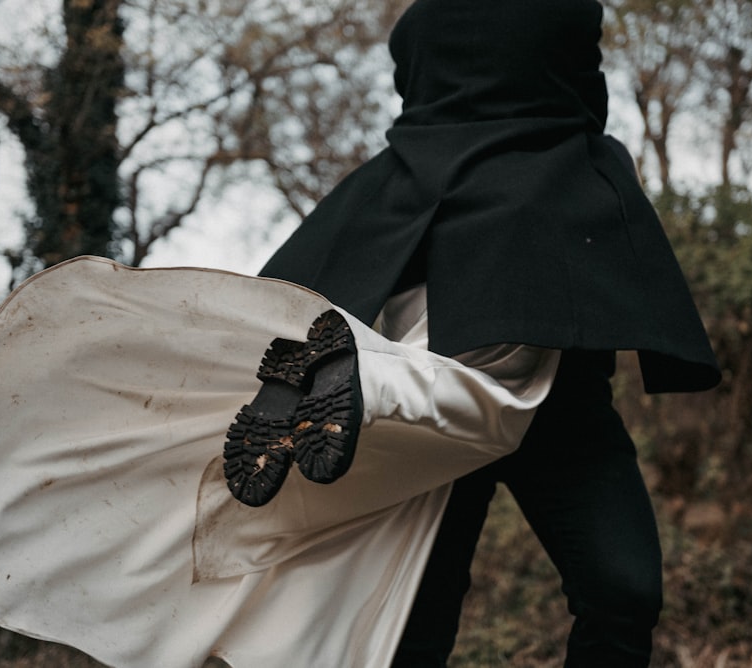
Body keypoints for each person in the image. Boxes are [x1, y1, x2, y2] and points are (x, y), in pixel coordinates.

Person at [245, 0, 721, 665]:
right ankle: (353, 379)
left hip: (518, 396)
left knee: (618, 592)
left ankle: (355, 378)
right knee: (426, 620)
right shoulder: (576, 158)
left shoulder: (406, 168)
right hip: (472, 396)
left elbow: (331, 258)